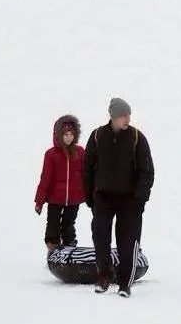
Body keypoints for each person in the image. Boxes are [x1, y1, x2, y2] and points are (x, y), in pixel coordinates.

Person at [82, 98, 155, 297]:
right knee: (100, 237)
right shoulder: (98, 136)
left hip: (129, 200)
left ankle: (125, 283)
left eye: (129, 115)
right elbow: (87, 167)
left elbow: (147, 170)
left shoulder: (137, 138)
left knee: (128, 241)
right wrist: (89, 196)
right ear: (113, 117)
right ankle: (103, 276)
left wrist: (140, 199)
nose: (127, 119)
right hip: (103, 198)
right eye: (123, 115)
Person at [34, 114, 85, 253]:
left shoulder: (80, 152)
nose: (68, 137)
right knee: (53, 224)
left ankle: (69, 249)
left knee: (69, 224)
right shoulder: (51, 154)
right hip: (55, 198)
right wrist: (39, 201)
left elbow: (86, 174)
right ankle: (53, 249)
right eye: (65, 134)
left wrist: (91, 194)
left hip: (74, 198)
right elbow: (45, 178)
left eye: (71, 134)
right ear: (59, 135)